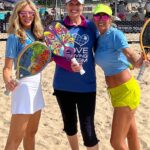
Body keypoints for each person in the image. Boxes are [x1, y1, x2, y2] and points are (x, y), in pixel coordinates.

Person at [93, 4, 146, 150]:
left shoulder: (115, 34)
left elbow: (129, 54)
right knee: (131, 134)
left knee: (115, 142)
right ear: (94, 19)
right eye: (98, 16)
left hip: (126, 91)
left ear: (110, 19)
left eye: (104, 16)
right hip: (115, 93)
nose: (101, 19)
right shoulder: (98, 38)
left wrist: (138, 61)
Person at [52, 0, 99, 149]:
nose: (74, 8)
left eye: (77, 4)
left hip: (87, 87)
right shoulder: (58, 27)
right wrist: (69, 65)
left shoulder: (91, 26)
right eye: (70, 4)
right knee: (70, 126)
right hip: (63, 87)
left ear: (82, 7)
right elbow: (54, 55)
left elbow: (101, 50)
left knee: (89, 132)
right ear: (66, 6)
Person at [3, 0, 44, 149]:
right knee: (14, 140)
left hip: (37, 88)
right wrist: (8, 80)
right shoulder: (15, 37)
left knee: (31, 133)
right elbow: (7, 68)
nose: (27, 16)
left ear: (35, 14)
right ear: (17, 15)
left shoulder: (37, 35)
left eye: (30, 13)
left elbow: (42, 61)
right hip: (23, 88)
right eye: (23, 13)